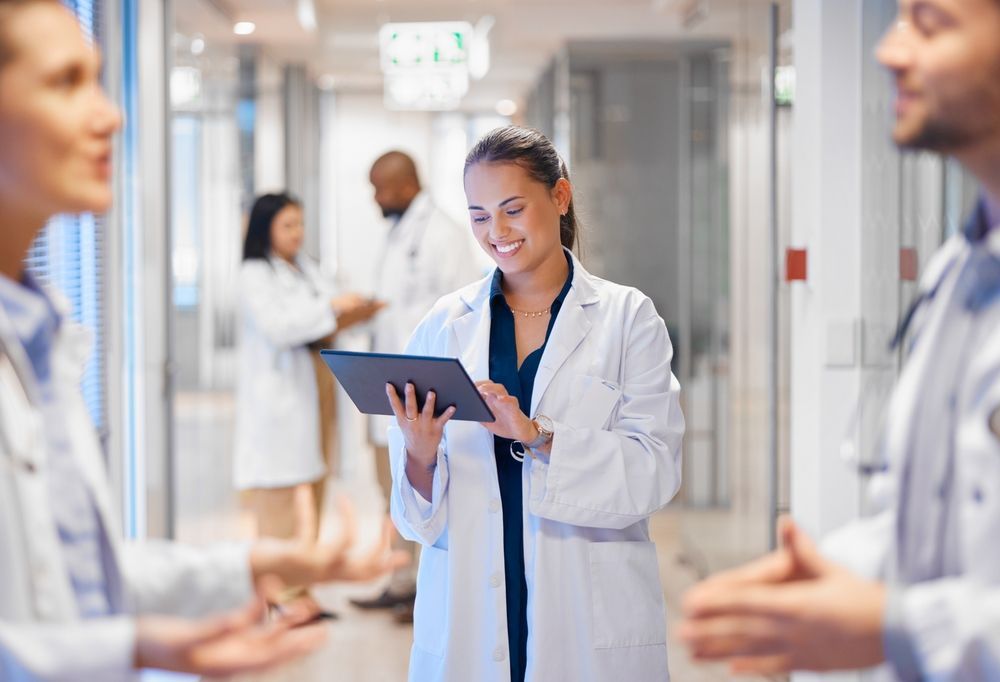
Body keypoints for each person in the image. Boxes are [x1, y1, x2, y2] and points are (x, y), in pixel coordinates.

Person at [0, 1, 406, 678]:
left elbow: (70, 570)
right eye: (66, 82)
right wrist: (127, 648)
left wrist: (252, 566)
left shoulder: (35, 340)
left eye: (99, 80)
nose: (110, 114)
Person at [679, 0, 1000, 679]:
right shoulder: (962, 267)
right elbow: (941, 524)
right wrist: (829, 587)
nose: (889, 49)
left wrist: (901, 628)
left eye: (930, 22)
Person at [383, 126, 686, 681]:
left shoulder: (627, 318)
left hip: (586, 612)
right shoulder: (444, 324)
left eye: (512, 209)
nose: (496, 232)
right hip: (470, 610)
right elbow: (415, 520)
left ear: (560, 197)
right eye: (478, 216)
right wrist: (420, 456)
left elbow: (655, 470)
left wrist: (540, 435)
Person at [351, 150, 488, 620]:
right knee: (392, 488)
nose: (375, 198)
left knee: (427, 492)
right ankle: (400, 579)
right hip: (392, 385)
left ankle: (421, 587)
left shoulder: (444, 234)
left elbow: (464, 316)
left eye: (380, 188)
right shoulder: (398, 231)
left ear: (406, 184)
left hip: (427, 392)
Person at [235, 192, 382, 542]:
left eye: (299, 223)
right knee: (280, 493)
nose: (297, 232)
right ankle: (281, 592)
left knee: (317, 481)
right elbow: (279, 327)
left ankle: (302, 586)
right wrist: (332, 308)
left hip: (318, 383)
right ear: (264, 228)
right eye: (287, 225)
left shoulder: (306, 267)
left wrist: (356, 310)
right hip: (281, 391)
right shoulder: (254, 274)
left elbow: (327, 312)